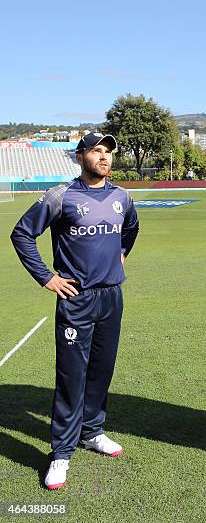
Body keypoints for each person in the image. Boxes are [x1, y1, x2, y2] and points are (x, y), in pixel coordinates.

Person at [11, 132, 139, 490]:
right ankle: (62, 452)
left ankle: (92, 431)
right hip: (76, 299)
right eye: (97, 151)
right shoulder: (61, 195)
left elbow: (131, 228)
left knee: (101, 369)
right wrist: (47, 278)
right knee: (72, 375)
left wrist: (122, 254)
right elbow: (22, 234)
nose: (104, 157)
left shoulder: (121, 196)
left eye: (109, 152)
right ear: (80, 156)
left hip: (112, 297)